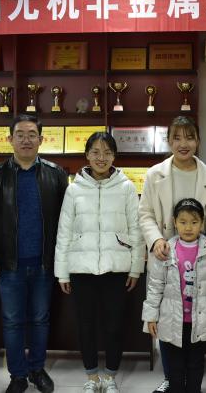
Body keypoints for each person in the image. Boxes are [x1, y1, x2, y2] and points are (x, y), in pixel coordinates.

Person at [0, 114, 68, 393]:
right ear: (10, 139)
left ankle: (37, 369)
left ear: (41, 139)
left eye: (32, 134)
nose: (26, 140)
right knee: (12, 322)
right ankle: (17, 375)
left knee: (40, 319)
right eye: (20, 134)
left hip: (44, 263)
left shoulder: (56, 174)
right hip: (9, 265)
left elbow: (67, 221)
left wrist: (62, 261)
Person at [138, 115, 206, 393]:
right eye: (176, 137)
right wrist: (156, 240)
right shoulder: (155, 174)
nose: (183, 143)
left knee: (195, 321)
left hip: (199, 258)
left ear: (198, 141)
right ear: (168, 141)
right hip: (166, 258)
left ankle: (191, 382)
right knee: (168, 322)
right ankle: (171, 378)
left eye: (189, 137)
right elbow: (145, 214)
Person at [55, 132, 145, 393]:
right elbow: (64, 232)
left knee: (114, 326)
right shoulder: (74, 189)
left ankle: (110, 376)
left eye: (107, 152)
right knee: (85, 326)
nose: (101, 157)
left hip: (116, 268)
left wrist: (135, 268)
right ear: (87, 155)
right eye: (95, 152)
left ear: (114, 156)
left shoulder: (126, 187)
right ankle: (92, 376)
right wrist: (63, 273)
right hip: (81, 268)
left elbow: (136, 230)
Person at [142, 198, 206, 393]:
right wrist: (150, 316)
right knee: (174, 368)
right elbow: (155, 286)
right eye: (183, 222)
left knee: (195, 366)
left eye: (194, 222)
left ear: (202, 223)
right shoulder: (166, 250)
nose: (188, 227)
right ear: (175, 222)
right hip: (172, 320)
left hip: (199, 323)